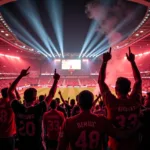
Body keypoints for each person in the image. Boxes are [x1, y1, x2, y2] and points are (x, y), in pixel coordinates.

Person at [57, 90, 140, 150]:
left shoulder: (68, 122)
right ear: (93, 103)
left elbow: (61, 147)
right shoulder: (101, 120)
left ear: (78, 104)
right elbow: (120, 135)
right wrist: (136, 127)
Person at [98, 47, 142, 150]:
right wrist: (132, 62)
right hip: (134, 146)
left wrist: (104, 62)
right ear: (130, 89)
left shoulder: (112, 103)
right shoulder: (135, 101)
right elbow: (138, 81)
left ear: (116, 89)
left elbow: (100, 81)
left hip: (115, 146)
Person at [8, 67, 60, 150]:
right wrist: (56, 80)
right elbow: (51, 94)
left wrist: (20, 76)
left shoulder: (17, 107)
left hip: (22, 146)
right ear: (35, 99)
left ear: (24, 97)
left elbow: (10, 91)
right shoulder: (38, 109)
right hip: (37, 147)